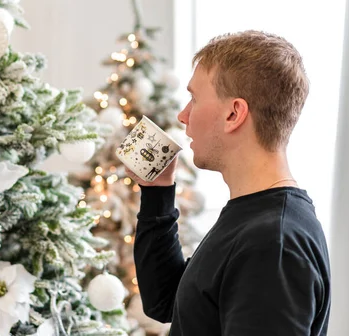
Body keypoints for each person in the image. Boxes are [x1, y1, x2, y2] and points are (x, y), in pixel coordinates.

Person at [126, 30, 331, 335]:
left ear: (234, 113)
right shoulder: (252, 218)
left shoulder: (273, 245)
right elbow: (165, 300)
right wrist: (157, 191)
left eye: (194, 98)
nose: (184, 115)